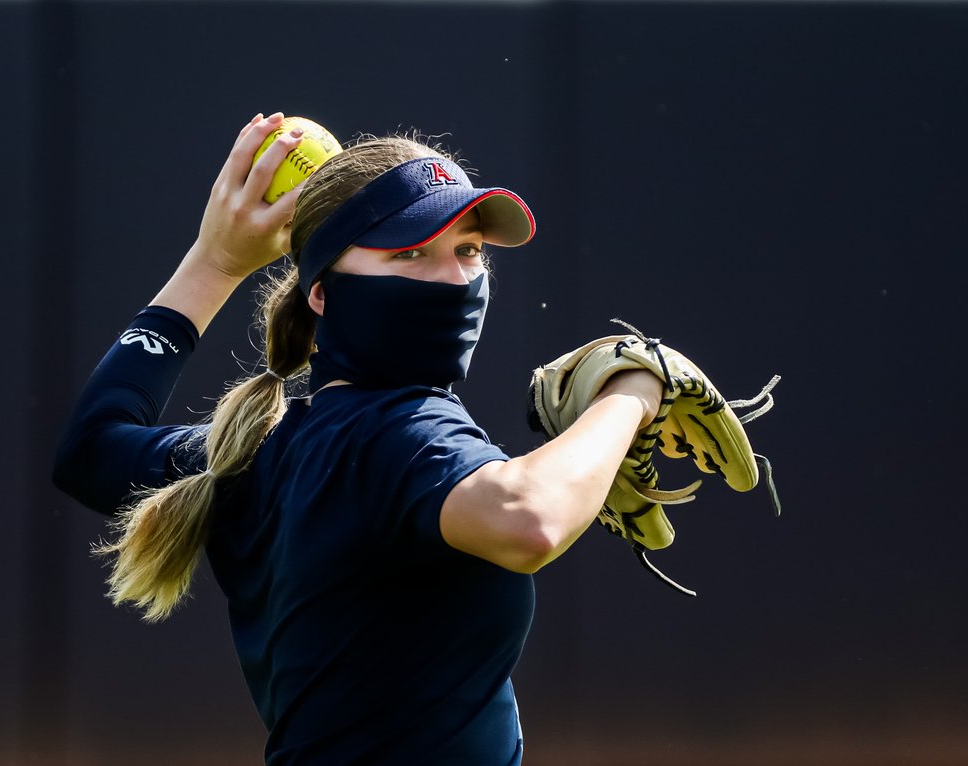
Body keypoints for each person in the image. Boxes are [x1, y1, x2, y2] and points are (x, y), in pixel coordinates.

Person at [53, 111, 663, 765]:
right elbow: (530, 517)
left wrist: (217, 261)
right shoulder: (396, 433)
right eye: (410, 253)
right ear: (322, 294)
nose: (457, 279)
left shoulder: (254, 451)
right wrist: (631, 395)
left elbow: (91, 448)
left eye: (469, 250)